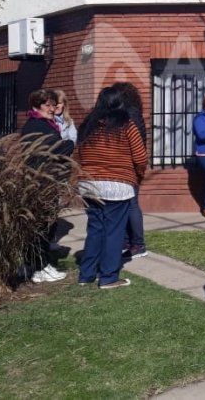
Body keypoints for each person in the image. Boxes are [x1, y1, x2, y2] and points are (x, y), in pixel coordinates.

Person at [76, 86, 148, 289]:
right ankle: (108, 277)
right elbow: (140, 158)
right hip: (118, 185)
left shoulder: (88, 125)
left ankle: (86, 274)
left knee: (95, 229)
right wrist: (137, 176)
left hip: (89, 183)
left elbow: (79, 153)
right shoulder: (127, 125)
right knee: (114, 231)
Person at [20, 88, 74, 284]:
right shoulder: (36, 125)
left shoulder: (45, 124)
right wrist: (69, 144)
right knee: (41, 226)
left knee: (45, 224)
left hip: (47, 180)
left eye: (53, 104)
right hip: (41, 181)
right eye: (47, 105)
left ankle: (38, 264)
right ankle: (39, 266)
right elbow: (53, 150)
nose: (52, 108)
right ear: (36, 106)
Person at [112, 82, 148, 260]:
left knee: (131, 204)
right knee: (126, 204)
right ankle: (126, 241)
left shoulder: (128, 115)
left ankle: (138, 244)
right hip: (128, 164)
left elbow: (136, 143)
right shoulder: (133, 114)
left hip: (129, 165)